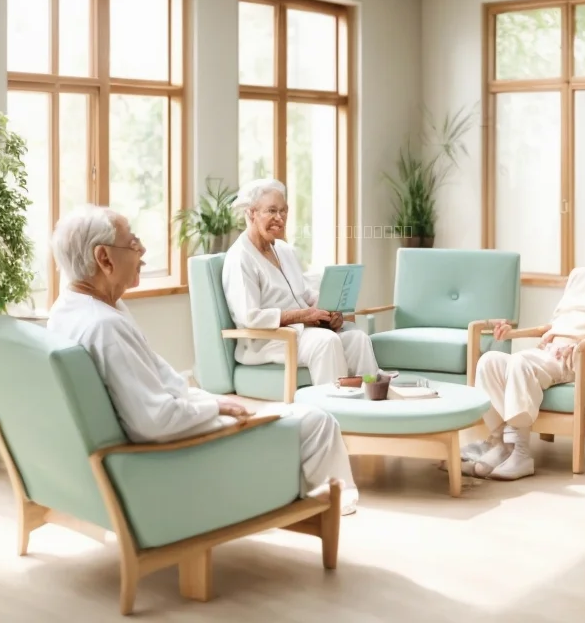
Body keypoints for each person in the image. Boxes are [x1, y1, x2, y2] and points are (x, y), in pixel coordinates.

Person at [46, 204, 359, 514]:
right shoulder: (105, 326)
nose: (142, 250)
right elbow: (154, 422)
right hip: (182, 451)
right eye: (132, 242)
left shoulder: (70, 308)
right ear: (104, 258)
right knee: (318, 423)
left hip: (178, 419)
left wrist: (204, 399)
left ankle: (296, 493)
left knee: (294, 407)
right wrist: (216, 406)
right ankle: (325, 504)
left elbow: (153, 386)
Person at [463, 210, 585, 482]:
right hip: (551, 352)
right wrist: (514, 333)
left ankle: (521, 453)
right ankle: (498, 443)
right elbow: (552, 326)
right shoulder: (580, 275)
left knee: (519, 363)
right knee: (490, 361)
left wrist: (583, 344)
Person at [221, 178, 379, 385]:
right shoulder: (240, 258)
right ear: (251, 213)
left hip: (303, 331)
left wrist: (330, 312)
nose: (279, 218)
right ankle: (334, 407)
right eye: (271, 211)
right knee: (326, 341)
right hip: (269, 339)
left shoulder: (284, 250)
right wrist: (304, 315)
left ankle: (373, 402)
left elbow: (305, 294)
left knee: (357, 338)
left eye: (283, 211)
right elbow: (250, 317)